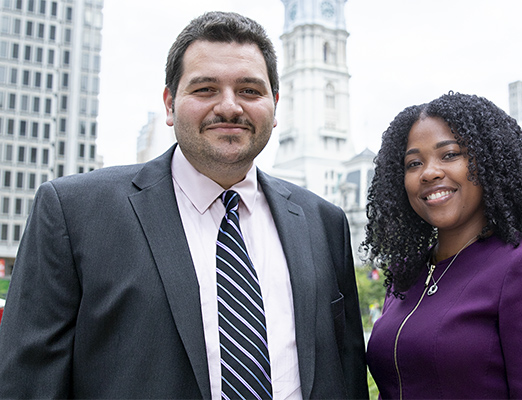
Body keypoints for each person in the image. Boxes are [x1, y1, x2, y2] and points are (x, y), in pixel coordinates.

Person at [0, 12, 368, 399]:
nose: (229, 107)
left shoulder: (323, 222)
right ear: (170, 103)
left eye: (249, 90)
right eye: (206, 89)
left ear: (274, 105)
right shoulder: (73, 213)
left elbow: (345, 373)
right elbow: (28, 383)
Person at [363, 92, 522, 399]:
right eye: (414, 163)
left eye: (450, 154)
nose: (429, 172)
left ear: (490, 162)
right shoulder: (407, 275)